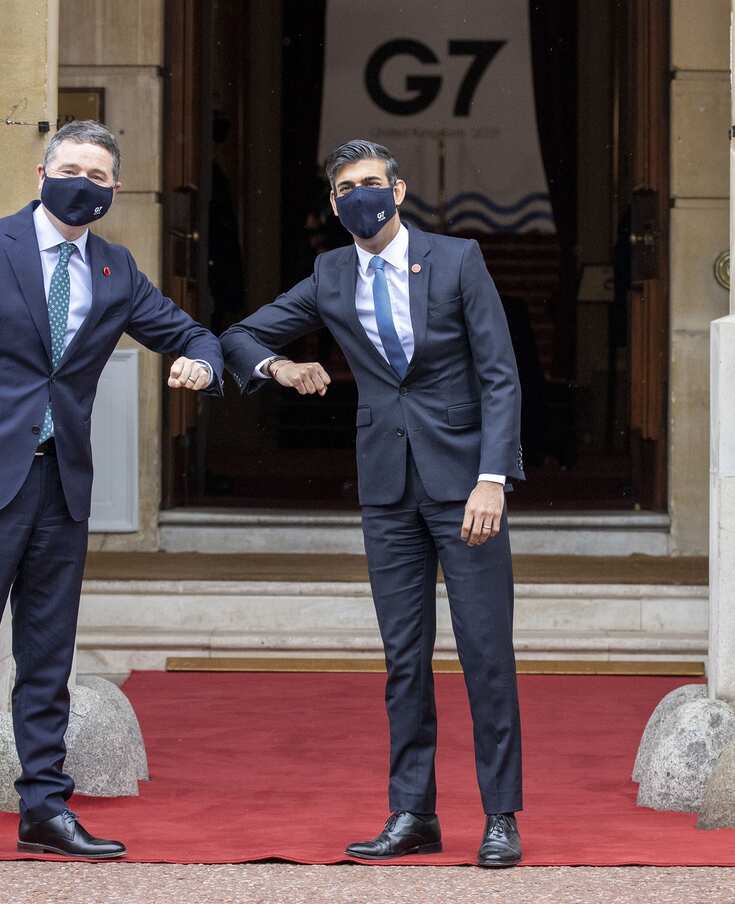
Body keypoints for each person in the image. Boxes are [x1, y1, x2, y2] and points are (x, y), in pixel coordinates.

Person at [0, 120, 222, 870]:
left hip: (60, 487)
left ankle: (45, 808)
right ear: (41, 173)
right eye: (70, 168)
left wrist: (202, 361)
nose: (83, 182)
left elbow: (189, 334)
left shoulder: (115, 269)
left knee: (48, 659)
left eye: (97, 175)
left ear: (115, 189)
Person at [221, 139, 526, 867]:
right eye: (346, 187)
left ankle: (501, 817)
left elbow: (501, 376)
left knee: (486, 655)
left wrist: (494, 477)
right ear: (334, 204)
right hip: (386, 491)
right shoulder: (330, 274)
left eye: (372, 183)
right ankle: (413, 813)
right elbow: (241, 334)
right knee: (404, 659)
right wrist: (281, 365)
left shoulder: (457, 260)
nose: (361, 195)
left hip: (464, 489)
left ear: (398, 190)